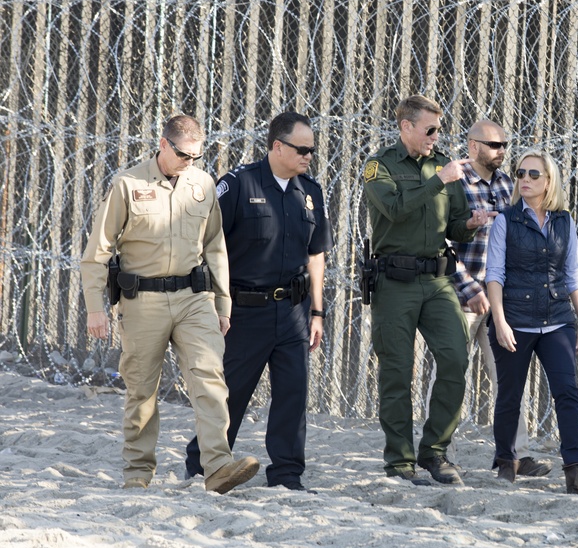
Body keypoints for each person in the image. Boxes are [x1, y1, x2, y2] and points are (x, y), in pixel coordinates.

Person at [81, 115, 259, 494]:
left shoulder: (203, 185)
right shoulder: (128, 184)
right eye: (182, 154)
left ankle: (218, 467)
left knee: (210, 378)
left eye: (196, 156)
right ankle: (138, 474)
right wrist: (95, 307)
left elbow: (215, 247)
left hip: (193, 298)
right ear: (163, 145)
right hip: (142, 300)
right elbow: (97, 251)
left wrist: (223, 304)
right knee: (142, 389)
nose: (189, 162)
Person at [183, 112, 332, 492]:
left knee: (292, 395)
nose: (308, 156)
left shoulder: (310, 192)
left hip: (295, 311)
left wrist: (317, 311)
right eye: (302, 149)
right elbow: (208, 245)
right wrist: (215, 304)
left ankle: (286, 475)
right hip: (245, 311)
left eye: (312, 150)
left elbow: (316, 255)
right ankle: (203, 463)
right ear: (277, 146)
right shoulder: (238, 184)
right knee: (231, 391)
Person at [363, 94, 493, 485]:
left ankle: (435, 452)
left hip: (437, 281)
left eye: (439, 129)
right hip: (394, 282)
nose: (436, 136)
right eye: (429, 129)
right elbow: (396, 209)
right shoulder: (379, 167)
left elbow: (451, 226)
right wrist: (440, 180)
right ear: (406, 127)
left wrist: (469, 223)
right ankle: (400, 461)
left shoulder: (442, 166)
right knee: (397, 373)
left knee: (455, 359)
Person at [426, 119, 552, 478]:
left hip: (499, 300)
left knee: (508, 376)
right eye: (494, 145)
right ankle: (437, 452)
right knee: (450, 375)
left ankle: (514, 454)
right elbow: (439, 241)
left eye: (504, 146)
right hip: (459, 297)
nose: (500, 152)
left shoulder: (510, 185)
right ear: (473, 146)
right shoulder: (455, 182)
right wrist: (469, 288)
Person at [485, 150, 578, 493]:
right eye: (521, 173)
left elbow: (574, 272)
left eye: (534, 174)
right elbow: (494, 275)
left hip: (557, 319)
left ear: (549, 181)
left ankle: (575, 469)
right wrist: (500, 321)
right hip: (515, 320)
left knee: (567, 392)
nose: (525, 179)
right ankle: (507, 462)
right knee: (510, 394)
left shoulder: (564, 220)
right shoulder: (506, 220)